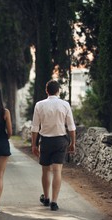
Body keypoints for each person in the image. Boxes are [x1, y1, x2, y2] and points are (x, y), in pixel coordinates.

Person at [31, 80, 76, 211]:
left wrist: (33, 145)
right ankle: (54, 202)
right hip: (60, 141)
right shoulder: (65, 105)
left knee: (45, 170)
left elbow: (34, 127)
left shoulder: (39, 105)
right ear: (58, 91)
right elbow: (71, 127)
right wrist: (73, 143)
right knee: (57, 171)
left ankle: (46, 198)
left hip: (45, 141)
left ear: (46, 91)